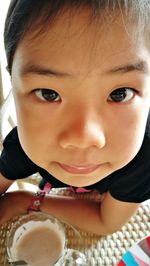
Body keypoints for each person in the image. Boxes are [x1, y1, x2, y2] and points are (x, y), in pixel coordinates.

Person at [0, 0, 150, 236]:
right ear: (12, 80)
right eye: (48, 94)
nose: (82, 139)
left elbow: (106, 222)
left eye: (120, 94)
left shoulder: (145, 160)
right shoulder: (24, 142)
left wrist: (26, 200)